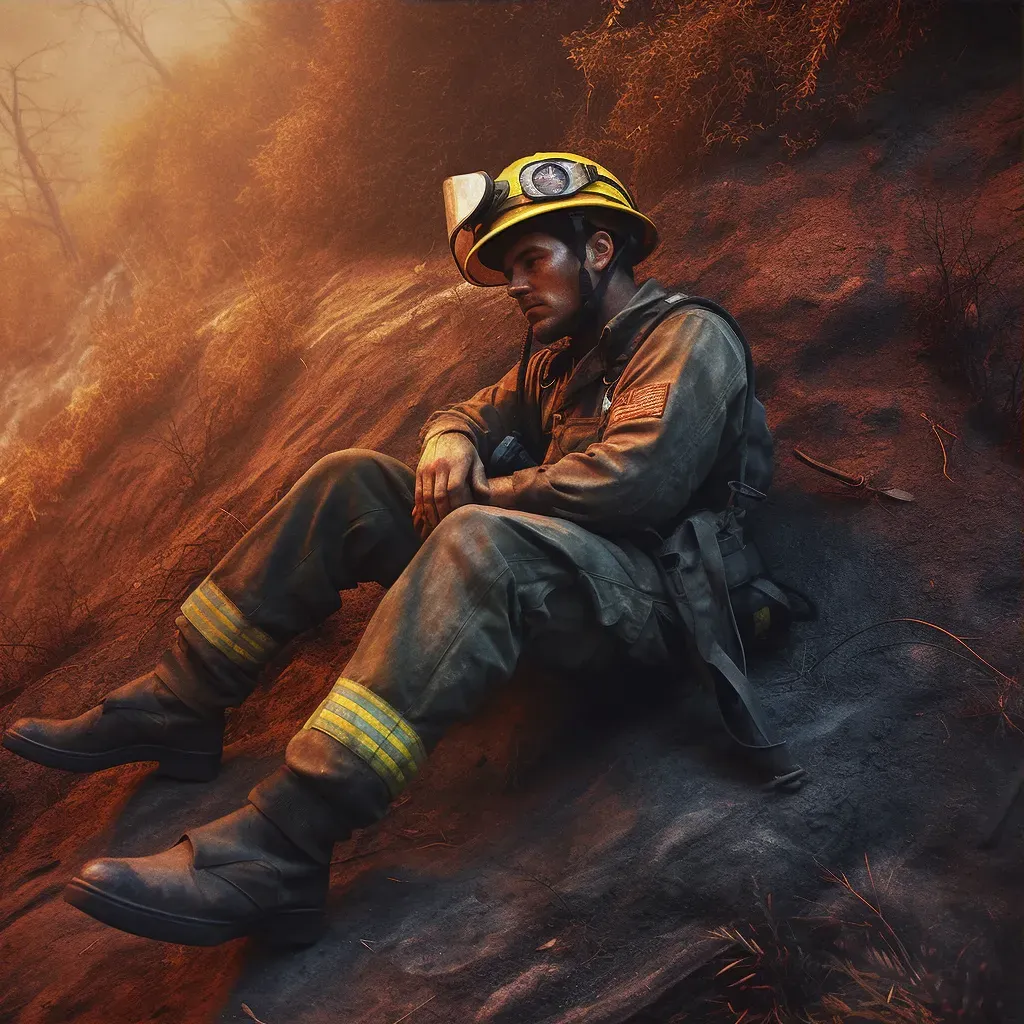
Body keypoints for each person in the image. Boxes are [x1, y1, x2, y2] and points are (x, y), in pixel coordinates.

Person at [1, 152, 789, 948]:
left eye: (529, 259)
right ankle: (180, 703)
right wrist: (449, 438)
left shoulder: (687, 337)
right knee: (351, 482)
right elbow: (470, 410)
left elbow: (634, 487)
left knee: (475, 536)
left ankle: (283, 848)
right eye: (506, 267)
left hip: (648, 605)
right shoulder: (563, 359)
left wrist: (482, 496)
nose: (514, 283)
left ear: (599, 250)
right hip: (564, 580)